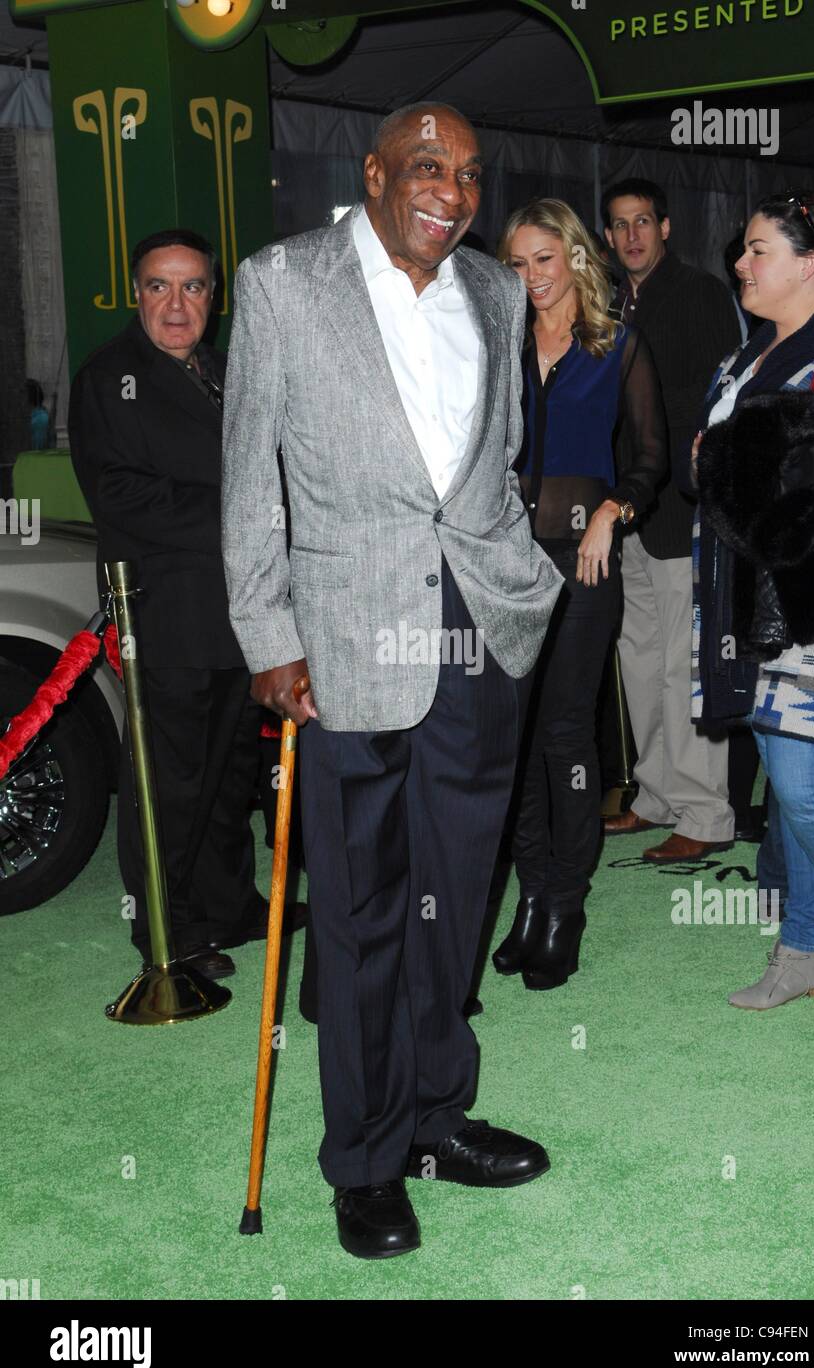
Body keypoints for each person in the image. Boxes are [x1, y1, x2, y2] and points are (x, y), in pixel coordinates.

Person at [221, 104, 564, 1260]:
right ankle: (363, 1159)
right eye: (428, 168)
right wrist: (269, 632)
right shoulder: (281, 284)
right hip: (345, 644)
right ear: (372, 175)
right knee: (362, 915)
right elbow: (249, 477)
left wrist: (517, 577)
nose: (452, 191)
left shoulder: (496, 292)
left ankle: (433, 1120)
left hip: (475, 637)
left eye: (469, 174)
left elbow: (497, 459)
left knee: (456, 896)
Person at [69, 229, 267, 980]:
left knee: (229, 764)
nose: (176, 304)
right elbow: (118, 492)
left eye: (193, 288)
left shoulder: (223, 369)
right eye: (160, 286)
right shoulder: (108, 377)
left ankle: (230, 905)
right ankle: (167, 926)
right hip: (165, 608)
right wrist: (245, 511)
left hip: (237, 607)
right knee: (170, 775)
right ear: (136, 294)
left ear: (213, 300)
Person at [492, 198, 666, 988]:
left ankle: (565, 903)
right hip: (505, 562)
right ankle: (531, 894)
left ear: (573, 258)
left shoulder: (615, 345)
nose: (531, 278)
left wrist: (610, 510)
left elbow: (652, 459)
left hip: (584, 563)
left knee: (565, 733)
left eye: (544, 260)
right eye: (518, 264)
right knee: (516, 735)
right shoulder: (499, 345)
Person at [693, 192, 814, 1008]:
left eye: (758, 250)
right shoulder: (749, 353)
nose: (740, 264)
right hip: (747, 591)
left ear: (809, 263)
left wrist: (730, 456)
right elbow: (725, 459)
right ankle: (802, 953)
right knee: (784, 772)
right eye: (743, 250)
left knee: (800, 779)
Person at [601, 179, 739, 862]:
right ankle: (655, 795)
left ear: (665, 228)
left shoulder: (701, 294)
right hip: (624, 509)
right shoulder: (606, 302)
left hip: (681, 508)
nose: (631, 236)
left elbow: (717, 398)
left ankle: (706, 813)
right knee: (637, 660)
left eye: (642, 223)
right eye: (619, 226)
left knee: (685, 663)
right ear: (607, 237)